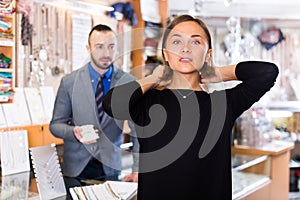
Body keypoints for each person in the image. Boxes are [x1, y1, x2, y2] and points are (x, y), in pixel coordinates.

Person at [103, 15, 279, 200]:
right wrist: (152, 78)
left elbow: (267, 73)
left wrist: (219, 72)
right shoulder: (148, 101)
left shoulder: (223, 104)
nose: (185, 48)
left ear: (208, 54)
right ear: (165, 54)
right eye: (177, 41)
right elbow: (111, 104)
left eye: (195, 42)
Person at [49, 24, 139, 187]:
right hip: (75, 170)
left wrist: (137, 168)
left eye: (111, 47)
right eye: (99, 47)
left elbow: (137, 131)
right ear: (88, 48)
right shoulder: (69, 82)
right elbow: (55, 125)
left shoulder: (128, 83)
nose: (106, 53)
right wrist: (74, 132)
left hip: (110, 168)